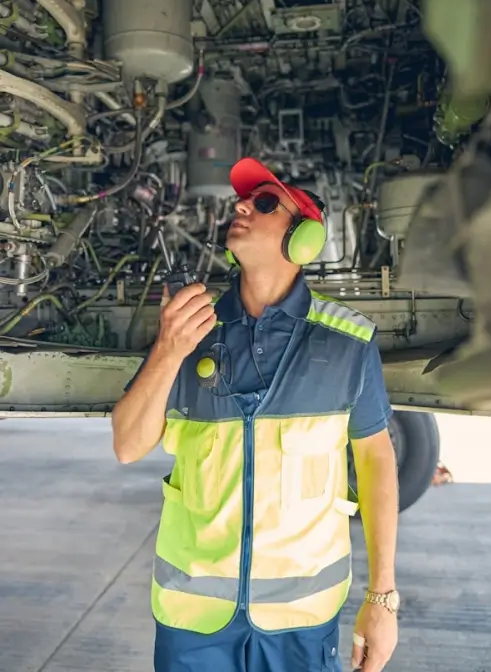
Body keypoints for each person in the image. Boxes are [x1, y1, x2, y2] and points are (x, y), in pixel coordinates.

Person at [112, 157, 400, 672]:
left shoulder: (348, 342)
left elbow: (377, 464)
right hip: (192, 621)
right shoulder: (190, 327)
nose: (241, 205)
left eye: (265, 202)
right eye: (244, 199)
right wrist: (167, 350)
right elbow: (128, 446)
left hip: (301, 622)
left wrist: (382, 600)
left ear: (304, 239)